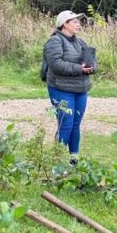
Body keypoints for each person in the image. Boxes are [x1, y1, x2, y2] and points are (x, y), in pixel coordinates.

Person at [43, 10, 97, 162]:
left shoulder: (80, 42)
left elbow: (91, 60)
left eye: (78, 22)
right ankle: (55, 162)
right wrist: (79, 69)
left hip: (80, 89)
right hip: (61, 89)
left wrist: (92, 67)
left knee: (75, 125)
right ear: (64, 24)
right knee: (65, 125)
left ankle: (74, 160)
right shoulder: (54, 41)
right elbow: (56, 65)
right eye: (74, 22)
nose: (78, 24)